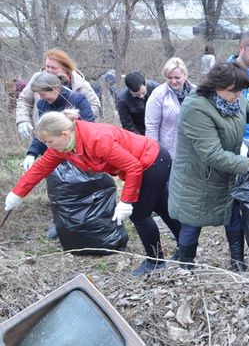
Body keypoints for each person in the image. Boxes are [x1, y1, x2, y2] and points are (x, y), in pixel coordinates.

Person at [4, 111, 183, 277]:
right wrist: (17, 194)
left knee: (139, 214)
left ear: (64, 135)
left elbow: (133, 166)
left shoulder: (97, 139)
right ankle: (187, 246)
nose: (47, 146)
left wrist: (126, 201)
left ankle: (155, 261)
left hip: (152, 161)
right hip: (146, 162)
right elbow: (41, 167)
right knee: (161, 206)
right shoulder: (64, 146)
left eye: (49, 141)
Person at [169, 62, 249, 272]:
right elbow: (212, 154)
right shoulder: (195, 108)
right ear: (217, 86)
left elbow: (248, 107)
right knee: (192, 222)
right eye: (234, 92)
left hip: (226, 175)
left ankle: (238, 263)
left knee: (234, 216)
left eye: (241, 92)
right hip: (197, 178)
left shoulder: (233, 99)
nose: (238, 96)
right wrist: (248, 164)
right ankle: (185, 268)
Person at [16, 49, 101, 139]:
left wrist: (73, 119)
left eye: (53, 68)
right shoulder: (38, 79)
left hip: (71, 137)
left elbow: (95, 105)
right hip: (44, 136)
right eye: (47, 66)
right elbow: (24, 100)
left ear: (65, 68)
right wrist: (23, 121)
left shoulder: (80, 83)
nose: (49, 70)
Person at [23, 73, 95, 171]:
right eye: (39, 94)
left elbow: (90, 130)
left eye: (43, 94)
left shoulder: (77, 100)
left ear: (56, 88)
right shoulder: (42, 105)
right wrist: (32, 153)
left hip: (79, 157)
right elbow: (43, 133)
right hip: (54, 156)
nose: (41, 98)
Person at [145, 58, 194, 158]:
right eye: (169, 77)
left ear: (185, 75)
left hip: (193, 151)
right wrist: (154, 154)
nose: (173, 81)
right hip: (169, 152)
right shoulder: (158, 94)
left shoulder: (196, 92)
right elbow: (151, 127)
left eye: (177, 77)